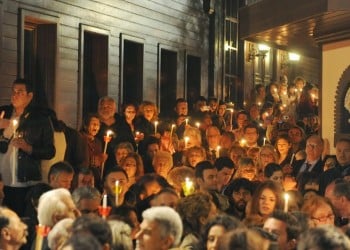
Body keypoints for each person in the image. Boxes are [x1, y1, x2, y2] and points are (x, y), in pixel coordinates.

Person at [0, 78, 55, 216]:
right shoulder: (3, 113)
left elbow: (50, 151)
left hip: (25, 182)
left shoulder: (40, 119)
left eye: (20, 92)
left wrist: (29, 148)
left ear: (30, 96)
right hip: (2, 182)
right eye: (13, 91)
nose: (14, 95)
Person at [96, 96, 135, 170]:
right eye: (103, 107)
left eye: (109, 107)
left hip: (120, 162)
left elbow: (130, 142)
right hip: (102, 164)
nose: (106, 109)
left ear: (114, 109)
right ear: (99, 109)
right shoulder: (94, 123)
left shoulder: (122, 123)